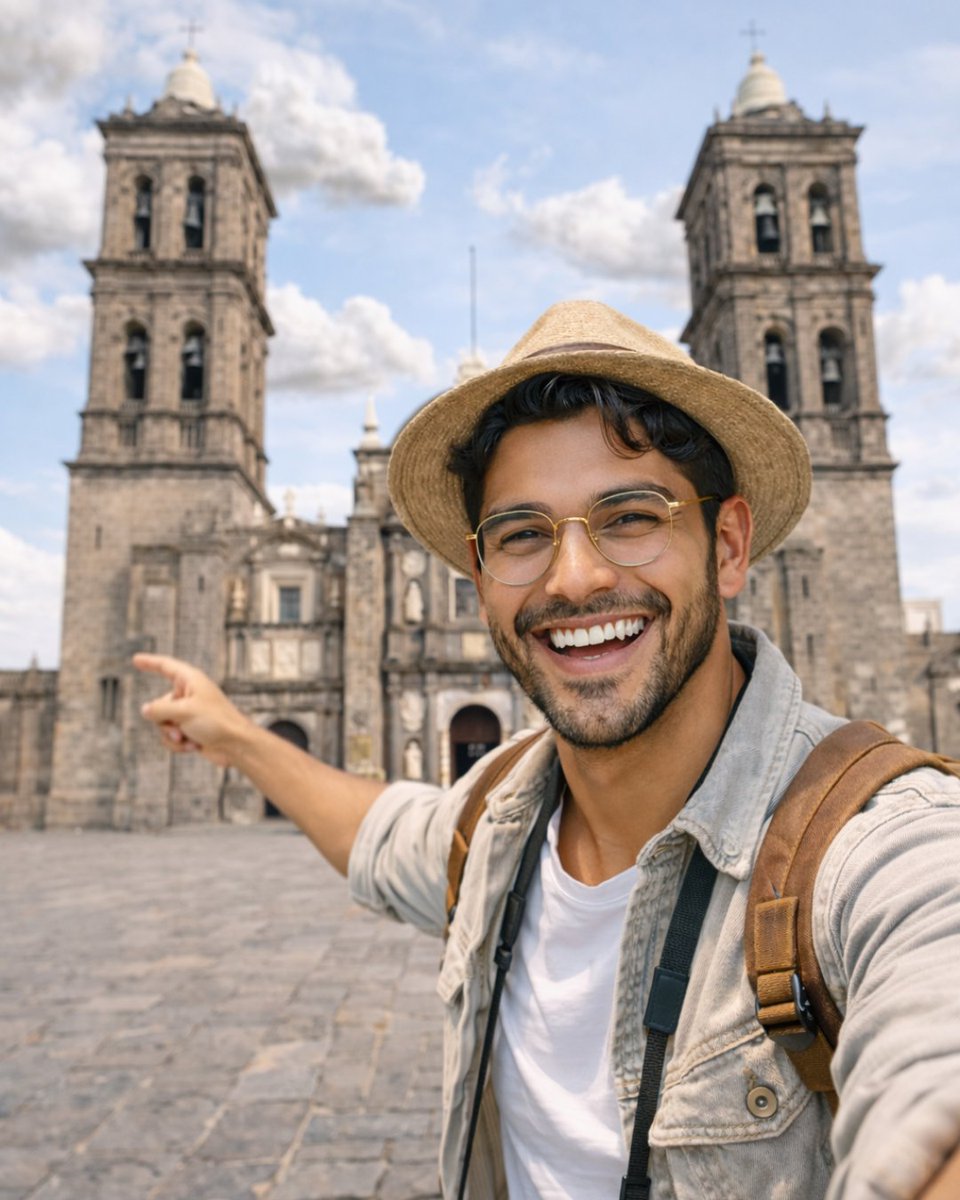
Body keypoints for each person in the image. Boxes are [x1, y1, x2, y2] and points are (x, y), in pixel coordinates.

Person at [136, 300, 960, 1200]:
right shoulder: (495, 829)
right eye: (523, 534)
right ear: (480, 573)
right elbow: (377, 830)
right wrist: (236, 734)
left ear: (728, 547)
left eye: (631, 516)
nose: (574, 579)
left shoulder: (882, 852)